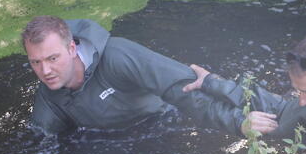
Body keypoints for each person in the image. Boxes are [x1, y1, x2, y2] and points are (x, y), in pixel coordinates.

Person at [21, 15, 258, 136]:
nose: (45, 71)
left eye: (52, 58)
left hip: (164, 125)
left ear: (72, 48)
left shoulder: (118, 56)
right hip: (110, 144)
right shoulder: (48, 96)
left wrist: (238, 122)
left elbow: (184, 91)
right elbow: (43, 143)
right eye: (36, 62)